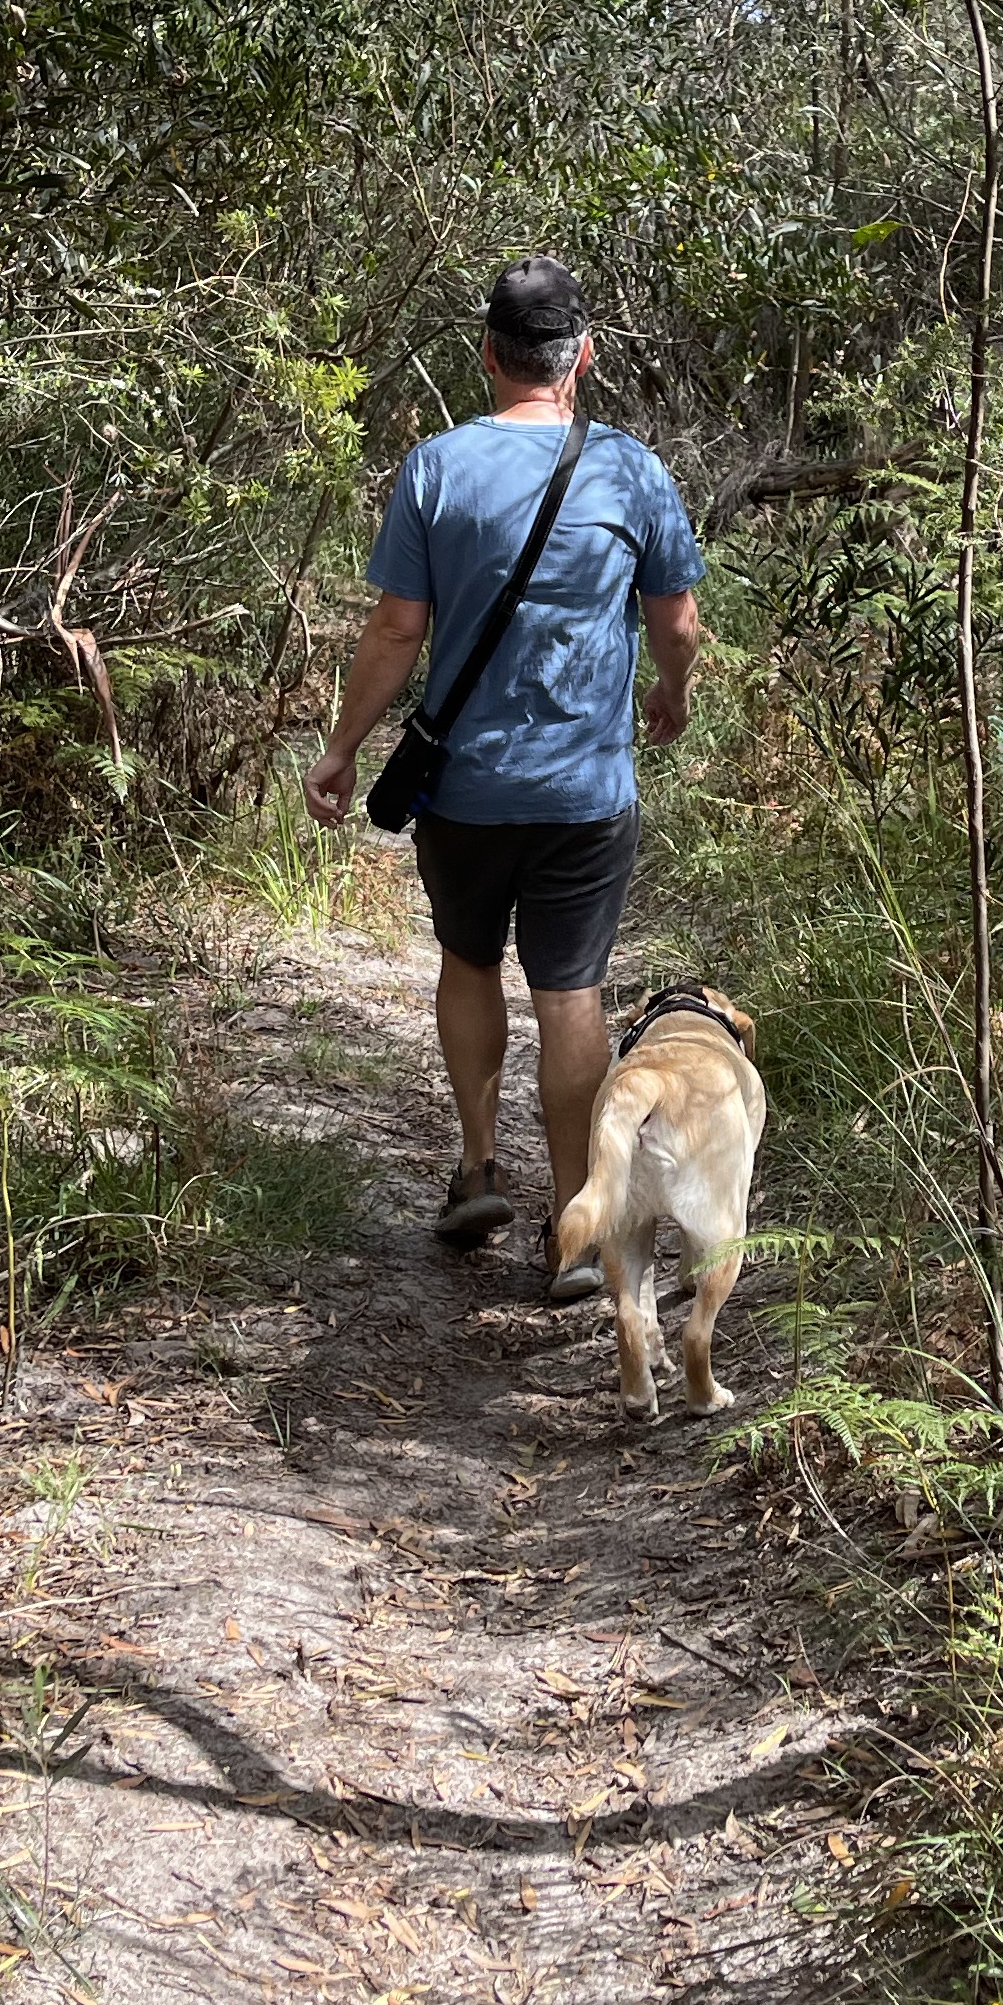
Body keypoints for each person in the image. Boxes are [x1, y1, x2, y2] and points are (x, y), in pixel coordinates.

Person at [303, 258, 704, 1296]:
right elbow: (678, 621)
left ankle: (477, 1165)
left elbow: (398, 629)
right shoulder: (631, 470)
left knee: (468, 956)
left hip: (466, 790)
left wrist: (343, 748)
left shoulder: (436, 469)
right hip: (585, 794)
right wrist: (672, 694)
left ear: (487, 354)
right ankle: (577, 1219)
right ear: (585, 358)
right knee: (572, 990)